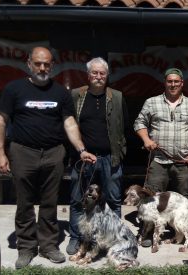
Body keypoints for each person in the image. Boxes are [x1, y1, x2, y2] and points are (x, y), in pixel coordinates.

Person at [0, 47, 96, 269]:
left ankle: (49, 246)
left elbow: (69, 123)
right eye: (38, 63)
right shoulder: (14, 89)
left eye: (47, 64)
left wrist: (81, 149)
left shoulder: (60, 92)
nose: (42, 68)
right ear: (29, 63)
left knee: (50, 203)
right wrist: (1, 154)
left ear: (52, 65)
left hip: (53, 153)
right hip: (23, 152)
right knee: (24, 203)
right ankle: (26, 247)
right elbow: (0, 121)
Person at [66, 57, 130, 255]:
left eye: (102, 73)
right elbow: (68, 124)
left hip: (109, 158)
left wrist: (121, 151)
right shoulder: (76, 95)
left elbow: (125, 125)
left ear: (107, 75)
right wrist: (79, 151)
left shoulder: (117, 97)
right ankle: (77, 238)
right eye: (95, 73)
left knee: (113, 201)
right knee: (78, 200)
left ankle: (112, 238)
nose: (99, 77)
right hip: (82, 158)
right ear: (88, 75)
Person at [134, 68, 188, 197]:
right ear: (164, 83)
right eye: (170, 81)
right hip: (158, 160)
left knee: (182, 200)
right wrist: (146, 140)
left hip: (182, 162)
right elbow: (139, 123)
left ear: (182, 83)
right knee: (152, 199)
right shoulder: (151, 102)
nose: (173, 85)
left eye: (176, 82)